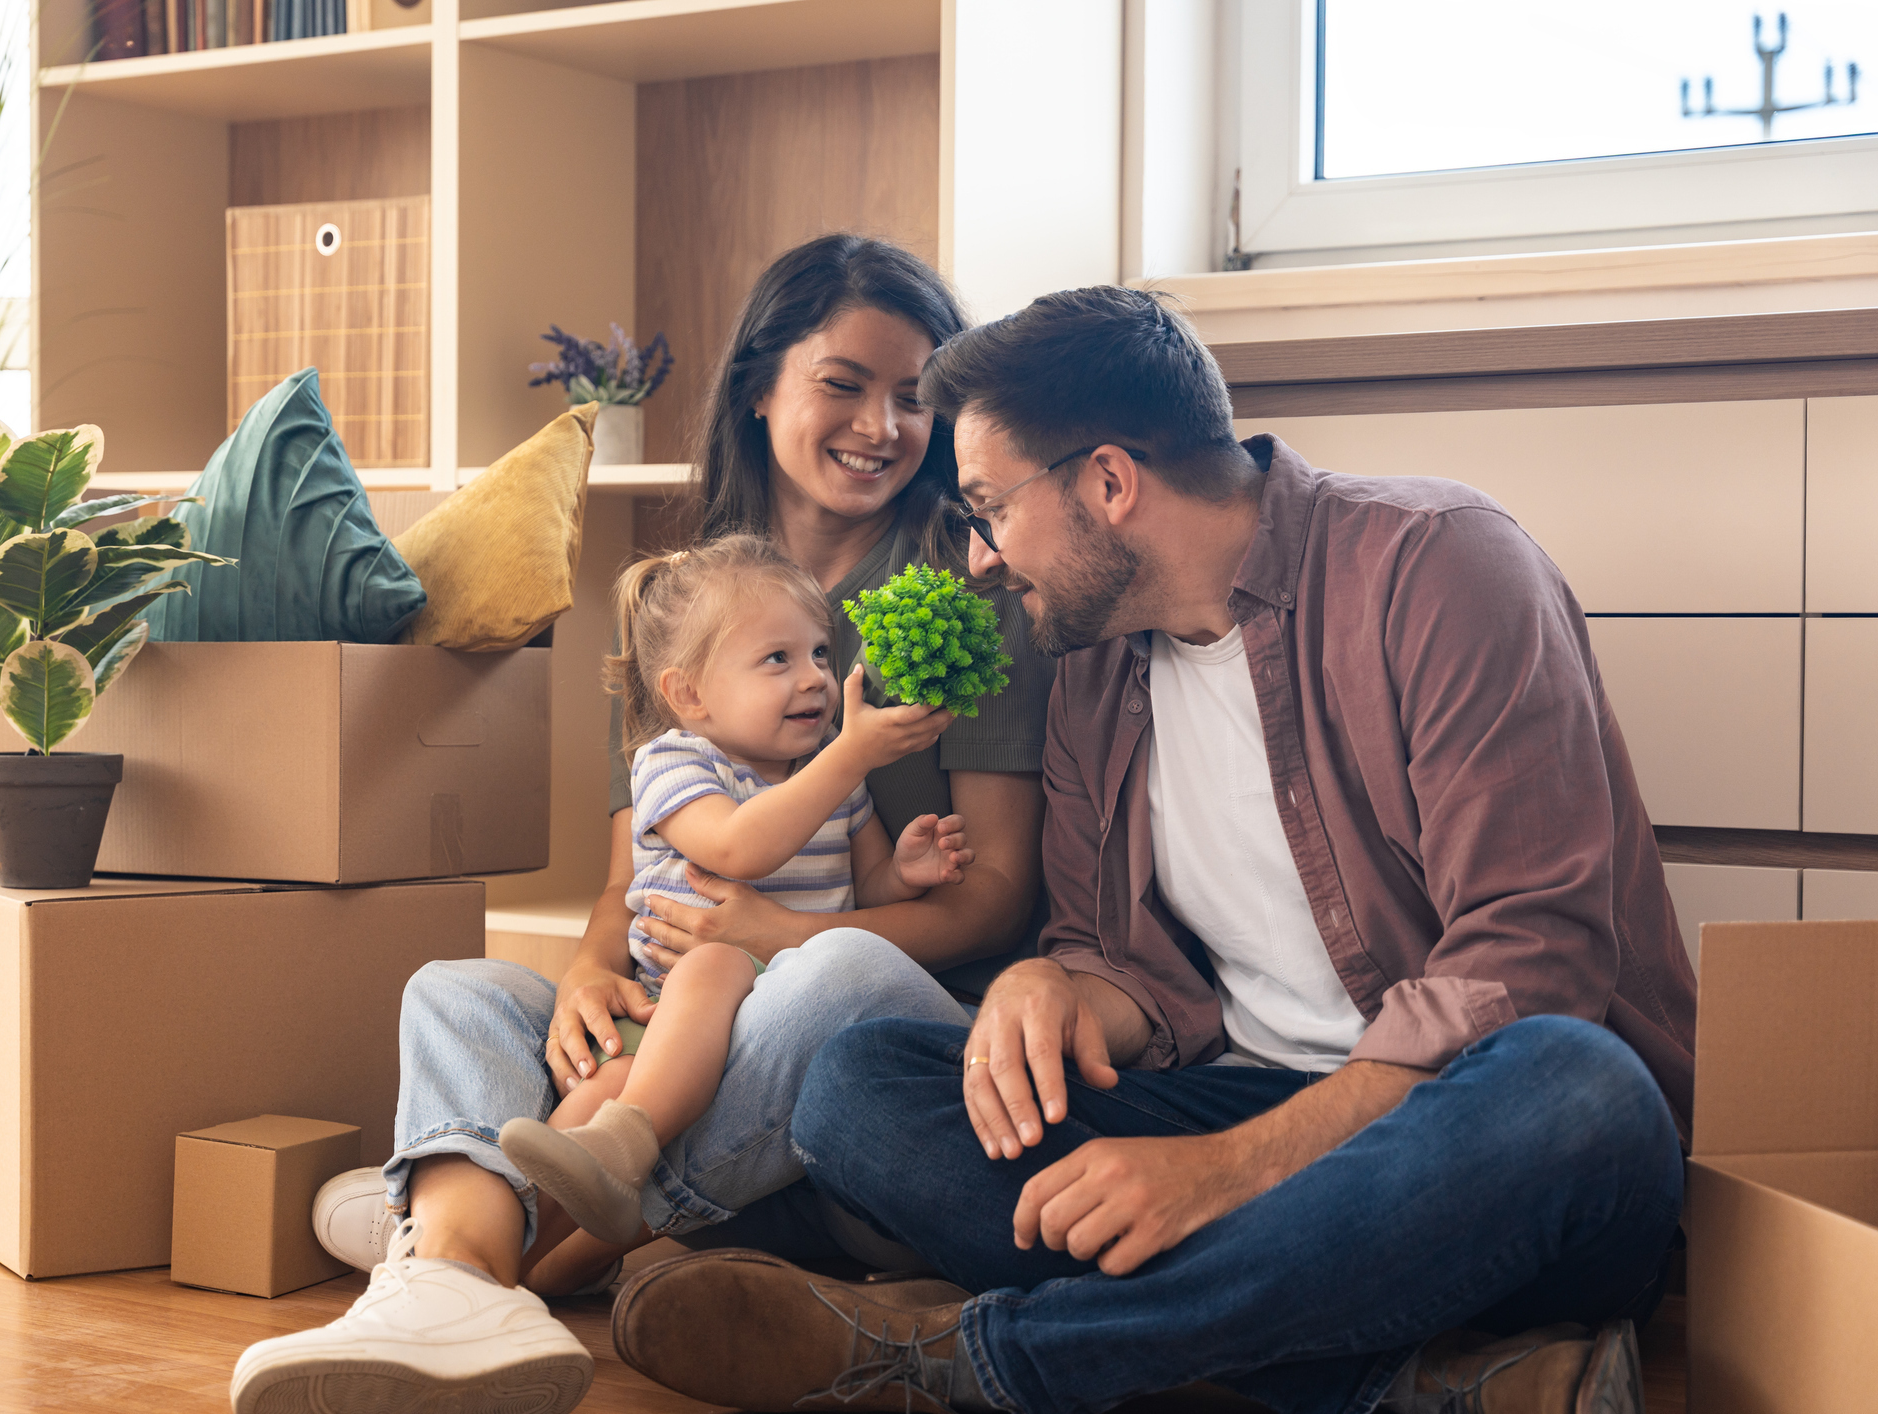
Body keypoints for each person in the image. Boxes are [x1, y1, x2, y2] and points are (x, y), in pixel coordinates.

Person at [607, 286, 1698, 1414]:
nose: (980, 560)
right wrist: (1054, 982)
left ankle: (975, 1362)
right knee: (862, 1088)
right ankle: (1425, 1382)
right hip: (1241, 1101)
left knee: (1579, 1085)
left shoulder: (1438, 565)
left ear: (1110, 483)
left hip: (1467, 1140)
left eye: (989, 509)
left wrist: (1225, 1174)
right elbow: (1123, 965)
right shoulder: (1092, 663)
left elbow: (1530, 968)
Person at [229, 235, 1056, 1414]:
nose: (883, 423)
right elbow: (636, 875)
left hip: (874, 1031)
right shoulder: (681, 602)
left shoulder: (967, 602)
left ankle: (478, 1236)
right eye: (844, 384)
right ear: (760, 386)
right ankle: (459, 1280)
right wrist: (581, 971)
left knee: (826, 971)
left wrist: (771, 928)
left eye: (914, 396)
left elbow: (996, 900)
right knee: (457, 992)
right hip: (693, 1019)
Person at [498, 535, 975, 1243]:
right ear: (688, 694)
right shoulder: (673, 763)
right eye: (776, 659)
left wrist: (903, 872)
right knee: (604, 1088)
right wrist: (852, 753)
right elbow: (737, 847)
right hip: (668, 1012)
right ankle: (518, 1236)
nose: (813, 677)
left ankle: (575, 1226)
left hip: (785, 1024)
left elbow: (862, 895)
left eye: (819, 652)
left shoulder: (831, 780)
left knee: (717, 979)